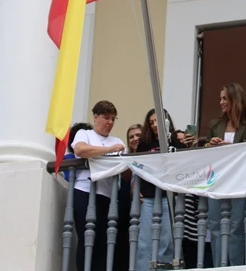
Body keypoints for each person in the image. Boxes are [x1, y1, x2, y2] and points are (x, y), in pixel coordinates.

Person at [201, 83, 246, 267]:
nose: (220, 102)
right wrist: (210, 144)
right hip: (216, 179)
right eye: (220, 98)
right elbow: (204, 152)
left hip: (238, 180)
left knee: (236, 225)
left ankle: (235, 266)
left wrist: (229, 148)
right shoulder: (215, 124)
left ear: (235, 100)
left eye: (224, 98)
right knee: (215, 224)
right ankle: (219, 266)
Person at [72, 101, 126, 271]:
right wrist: (109, 150)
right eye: (106, 118)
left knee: (103, 240)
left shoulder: (117, 140)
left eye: (112, 119)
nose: (110, 122)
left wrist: (101, 152)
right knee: (85, 238)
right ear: (95, 117)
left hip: (107, 195)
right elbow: (80, 150)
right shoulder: (84, 133)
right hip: (84, 191)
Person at [135, 109, 187, 269]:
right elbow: (138, 168)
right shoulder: (144, 144)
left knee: (167, 240)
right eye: (151, 123)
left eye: (157, 121)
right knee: (144, 241)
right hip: (149, 197)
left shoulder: (175, 144)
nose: (154, 125)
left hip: (168, 197)